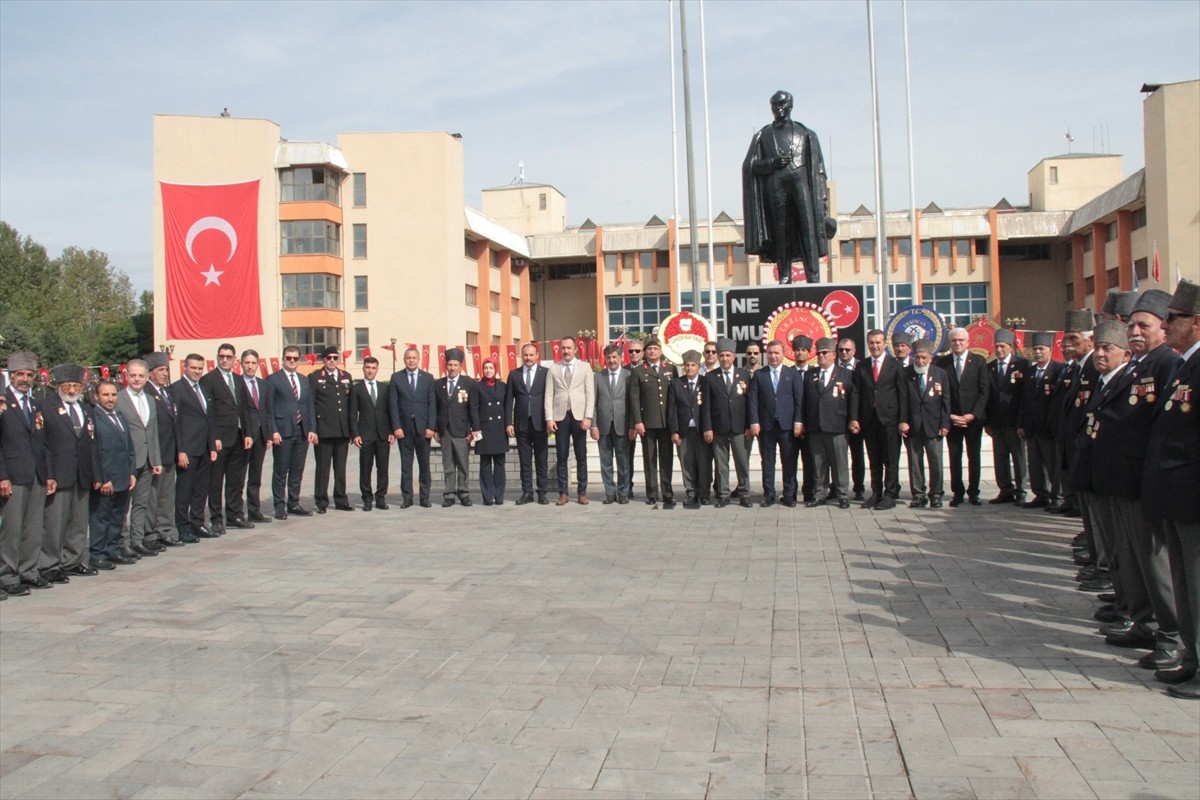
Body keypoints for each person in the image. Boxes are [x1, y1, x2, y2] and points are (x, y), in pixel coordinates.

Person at [1141, 279, 1200, 697]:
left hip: (1193, 496)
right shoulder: (1186, 365)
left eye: (1174, 318)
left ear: (1195, 323)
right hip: (1176, 496)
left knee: (1197, 585)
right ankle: (1191, 658)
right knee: (1184, 584)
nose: (1168, 324)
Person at [742, 90, 833, 284]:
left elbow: (819, 169)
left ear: (790, 106)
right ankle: (784, 276)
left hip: (801, 185)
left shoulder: (806, 133)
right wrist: (771, 163)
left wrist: (823, 197)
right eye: (775, 105)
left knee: (808, 227)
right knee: (780, 232)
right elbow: (750, 165)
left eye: (782, 105)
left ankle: (813, 275)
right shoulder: (763, 135)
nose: (778, 109)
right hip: (776, 187)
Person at [0, 351, 56, 595]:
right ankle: (7, 575)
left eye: (29, 374)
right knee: (11, 529)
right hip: (13, 473)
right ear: (11, 376)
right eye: (20, 374)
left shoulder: (35, 404)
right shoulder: (3, 402)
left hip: (37, 474)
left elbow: (43, 443)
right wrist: (2, 475)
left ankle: (28, 571)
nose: (25, 378)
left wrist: (50, 474)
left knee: (33, 527)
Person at [39, 364, 97, 581]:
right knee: (55, 523)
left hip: (82, 474)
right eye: (67, 386)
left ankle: (73, 560)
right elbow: (42, 444)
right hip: (59, 473)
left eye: (75, 385)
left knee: (79, 522)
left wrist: (96, 474)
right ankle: (50, 564)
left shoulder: (85, 409)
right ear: (59, 386)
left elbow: (92, 444)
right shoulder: (46, 407)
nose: (72, 390)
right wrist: (49, 474)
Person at [937, 327, 991, 506]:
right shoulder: (941, 362)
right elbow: (940, 393)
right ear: (950, 343)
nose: (957, 343)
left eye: (961, 340)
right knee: (954, 457)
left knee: (973, 456)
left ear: (968, 342)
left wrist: (973, 415)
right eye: (954, 341)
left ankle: (974, 492)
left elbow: (984, 391)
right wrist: (949, 415)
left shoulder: (978, 361)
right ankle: (957, 493)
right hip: (952, 418)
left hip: (972, 420)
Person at [855, 329, 907, 511]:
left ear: (884, 343)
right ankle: (876, 493)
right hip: (869, 419)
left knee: (891, 459)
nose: (875, 346)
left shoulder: (895, 365)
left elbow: (903, 394)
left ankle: (890, 494)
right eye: (871, 343)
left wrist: (903, 419)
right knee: (874, 459)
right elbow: (856, 394)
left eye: (878, 342)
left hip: (890, 419)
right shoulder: (862, 366)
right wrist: (855, 418)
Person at [801, 338, 856, 509]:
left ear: (833, 354)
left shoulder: (846, 374)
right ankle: (819, 494)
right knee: (818, 463)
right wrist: (803, 422)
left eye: (825, 353)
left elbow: (852, 400)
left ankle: (842, 494)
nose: (821, 356)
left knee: (839, 463)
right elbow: (805, 401)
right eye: (818, 353)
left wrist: (853, 419)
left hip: (837, 425)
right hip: (815, 425)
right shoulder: (811, 374)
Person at [748, 339, 804, 506]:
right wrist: (754, 422)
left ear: (783, 353)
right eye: (770, 353)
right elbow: (753, 400)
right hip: (766, 425)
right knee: (768, 461)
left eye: (776, 353)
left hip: (787, 425)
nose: (773, 356)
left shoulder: (792, 374)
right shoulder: (759, 375)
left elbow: (798, 400)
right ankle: (769, 494)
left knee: (789, 460)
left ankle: (789, 494)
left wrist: (798, 421)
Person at [88, 379, 137, 570]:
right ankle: (97, 554)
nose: (110, 399)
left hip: (123, 476)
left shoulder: (119, 416)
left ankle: (113, 549)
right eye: (105, 395)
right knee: (101, 518)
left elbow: (128, 447)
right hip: (107, 479)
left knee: (118, 516)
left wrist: (132, 472)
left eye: (113, 394)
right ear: (96, 397)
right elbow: (97, 451)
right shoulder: (94, 418)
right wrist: (103, 478)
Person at [117, 359, 163, 558]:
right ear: (126, 376)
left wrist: (157, 459)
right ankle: (120, 542)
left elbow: (152, 432)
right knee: (122, 504)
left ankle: (137, 540)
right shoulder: (118, 399)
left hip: (147, 460)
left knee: (141, 503)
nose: (136, 379)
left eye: (140, 376)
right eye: (133, 375)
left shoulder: (151, 400)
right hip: (127, 460)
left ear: (146, 377)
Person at [266, 346, 316, 518]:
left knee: (297, 470)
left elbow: (309, 405)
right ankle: (279, 505)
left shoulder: (303, 380)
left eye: (295, 358)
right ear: (283, 359)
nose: (292, 361)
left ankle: (294, 502)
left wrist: (312, 429)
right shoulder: (273, 379)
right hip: (283, 431)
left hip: (301, 431)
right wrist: (273, 430)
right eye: (289, 358)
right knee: (281, 470)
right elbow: (268, 408)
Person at [200, 343, 246, 534]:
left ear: (234, 359)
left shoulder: (239, 379)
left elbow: (244, 409)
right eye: (222, 356)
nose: (225, 359)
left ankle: (234, 514)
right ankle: (216, 518)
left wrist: (249, 433)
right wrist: (214, 437)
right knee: (216, 482)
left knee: (236, 480)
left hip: (238, 436)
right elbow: (208, 413)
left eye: (228, 356)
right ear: (217, 357)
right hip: (220, 439)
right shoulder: (209, 380)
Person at [900, 339, 951, 508]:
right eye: (917, 358)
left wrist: (945, 424)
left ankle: (936, 494)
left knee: (935, 461)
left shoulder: (940, 374)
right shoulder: (906, 373)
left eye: (924, 358)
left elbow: (946, 401)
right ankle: (918, 494)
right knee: (915, 462)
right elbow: (902, 400)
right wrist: (903, 421)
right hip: (913, 426)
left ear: (930, 357)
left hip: (934, 424)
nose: (920, 361)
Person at [171, 354, 217, 540]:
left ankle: (197, 523)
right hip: (188, 449)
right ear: (185, 367)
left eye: (200, 368)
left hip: (204, 448)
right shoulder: (177, 389)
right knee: (184, 490)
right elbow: (176, 423)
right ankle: (183, 528)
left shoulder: (203, 389)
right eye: (193, 368)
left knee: (200, 489)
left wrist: (212, 445)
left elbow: (209, 419)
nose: (197, 371)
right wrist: (180, 450)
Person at [628, 336, 677, 508]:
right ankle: (652, 493)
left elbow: (673, 397)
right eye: (649, 349)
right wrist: (638, 422)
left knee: (666, 459)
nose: (652, 351)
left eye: (655, 348)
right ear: (644, 352)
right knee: (649, 460)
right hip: (647, 423)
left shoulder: (670, 369)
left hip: (665, 423)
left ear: (661, 351)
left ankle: (667, 492)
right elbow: (634, 399)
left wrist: (674, 423)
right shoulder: (638, 371)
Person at [545, 336, 594, 505]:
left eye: (568, 348)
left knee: (581, 456)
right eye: (563, 348)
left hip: (579, 416)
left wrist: (588, 416)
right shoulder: (553, 369)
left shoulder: (585, 367)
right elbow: (549, 394)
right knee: (562, 455)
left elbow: (590, 393)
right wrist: (549, 418)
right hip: (560, 416)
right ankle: (563, 492)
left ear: (575, 350)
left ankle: (582, 492)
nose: (565, 351)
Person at [704, 338, 752, 509]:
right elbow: (707, 405)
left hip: (739, 426)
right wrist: (708, 427)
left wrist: (749, 424)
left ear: (734, 357)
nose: (724, 358)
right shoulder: (710, 377)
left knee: (742, 461)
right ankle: (723, 494)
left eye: (728, 355)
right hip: (719, 427)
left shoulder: (744, 374)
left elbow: (749, 402)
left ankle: (744, 493)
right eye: (721, 355)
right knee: (721, 463)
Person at [1018, 333, 1063, 511]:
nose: (1037, 352)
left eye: (1041, 349)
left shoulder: (1057, 370)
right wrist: (1021, 423)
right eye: (1035, 349)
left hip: (1048, 426)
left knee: (1052, 463)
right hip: (1031, 426)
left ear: (1050, 350)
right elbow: (1024, 400)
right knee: (1034, 463)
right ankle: (1040, 494)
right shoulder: (1030, 372)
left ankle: (1056, 496)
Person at [986, 329, 1029, 505]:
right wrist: (987, 421)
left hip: (1014, 421)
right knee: (1000, 457)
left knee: (1018, 457)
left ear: (1010, 347)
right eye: (996, 346)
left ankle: (1021, 491)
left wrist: (1022, 421)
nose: (999, 349)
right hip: (997, 421)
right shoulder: (990, 367)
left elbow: (1025, 395)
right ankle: (1005, 489)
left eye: (1002, 346)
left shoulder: (1022, 365)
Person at [389, 347, 436, 508]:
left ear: (418, 359)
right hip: (405, 429)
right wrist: (396, 427)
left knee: (424, 465)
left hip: (423, 429)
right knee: (406, 465)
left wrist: (431, 426)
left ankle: (424, 497)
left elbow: (432, 404)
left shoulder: (428, 378)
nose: (411, 360)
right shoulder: (396, 378)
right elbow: (393, 405)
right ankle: (407, 498)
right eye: (408, 357)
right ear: (404, 359)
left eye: (414, 358)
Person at [144, 353, 183, 546]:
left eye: (166, 369)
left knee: (167, 496)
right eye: (160, 370)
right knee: (153, 497)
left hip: (169, 451)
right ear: (150, 373)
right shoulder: (147, 393)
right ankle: (149, 533)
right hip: (155, 453)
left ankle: (165, 529)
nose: (164, 373)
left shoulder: (166, 392)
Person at [310, 347, 353, 513]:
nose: (332, 361)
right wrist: (313, 430)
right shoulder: (315, 378)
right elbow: (311, 406)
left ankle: (341, 499)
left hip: (342, 430)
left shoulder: (346, 377)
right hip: (324, 431)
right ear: (323, 359)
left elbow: (349, 405)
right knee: (323, 468)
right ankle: (321, 501)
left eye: (335, 357)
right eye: (329, 358)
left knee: (340, 468)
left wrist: (351, 430)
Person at [505, 343, 549, 505]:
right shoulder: (514, 374)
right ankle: (527, 492)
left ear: (537, 355)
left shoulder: (545, 373)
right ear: (521, 356)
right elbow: (509, 400)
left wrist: (549, 419)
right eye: (525, 355)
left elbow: (549, 396)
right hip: (521, 423)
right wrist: (509, 422)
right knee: (524, 460)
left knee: (541, 459)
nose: (528, 358)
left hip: (540, 422)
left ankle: (542, 492)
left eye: (531, 355)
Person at [350, 356, 393, 511]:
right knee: (365, 468)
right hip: (365, 434)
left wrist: (391, 431)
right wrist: (355, 434)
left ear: (377, 369)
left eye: (373, 368)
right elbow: (353, 413)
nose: (370, 371)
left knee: (383, 468)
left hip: (382, 434)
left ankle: (381, 498)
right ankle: (367, 499)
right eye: (368, 367)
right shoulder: (357, 389)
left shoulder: (384, 388)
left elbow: (389, 411)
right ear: (363, 368)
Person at [435, 348, 477, 507]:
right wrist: (435, 428)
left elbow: (472, 408)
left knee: (463, 464)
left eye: (455, 365)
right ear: (446, 366)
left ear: (461, 366)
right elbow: (435, 407)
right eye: (450, 365)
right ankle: (449, 494)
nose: (452, 368)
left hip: (462, 430)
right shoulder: (439, 384)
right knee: (448, 464)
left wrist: (472, 429)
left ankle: (464, 493)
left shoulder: (468, 383)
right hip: (445, 430)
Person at [669, 350, 710, 509]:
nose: (690, 368)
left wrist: (708, 428)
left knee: (703, 462)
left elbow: (708, 408)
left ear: (698, 366)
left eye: (693, 365)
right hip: (684, 431)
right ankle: (691, 492)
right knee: (687, 462)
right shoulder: (677, 383)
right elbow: (672, 409)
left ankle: (704, 493)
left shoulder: (705, 382)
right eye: (687, 365)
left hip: (701, 431)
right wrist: (674, 431)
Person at [236, 350, 273, 523]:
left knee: (255, 475)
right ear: (241, 364)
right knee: (239, 475)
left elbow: (266, 410)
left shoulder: (263, 384)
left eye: (253, 363)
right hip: (244, 435)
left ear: (258, 364)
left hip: (261, 435)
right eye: (247, 363)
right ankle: (236, 511)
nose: (250, 366)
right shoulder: (237, 384)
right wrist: (245, 433)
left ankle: (254, 510)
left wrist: (269, 434)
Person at [592, 344, 631, 504]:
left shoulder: (629, 376)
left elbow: (632, 403)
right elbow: (593, 403)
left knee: (623, 462)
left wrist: (632, 425)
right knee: (605, 461)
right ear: (605, 359)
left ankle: (623, 492)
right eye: (608, 357)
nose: (612, 360)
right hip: (604, 426)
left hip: (622, 424)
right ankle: (609, 492)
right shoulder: (598, 377)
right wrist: (594, 425)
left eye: (614, 357)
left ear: (620, 358)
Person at [471, 358, 509, 505]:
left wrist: (508, 425)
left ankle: (499, 496)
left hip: (499, 429)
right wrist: (475, 428)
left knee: (500, 463)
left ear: (496, 369)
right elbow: (473, 409)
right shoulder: (477, 386)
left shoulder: (502, 386)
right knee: (485, 463)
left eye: (491, 368)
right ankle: (487, 496)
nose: (488, 370)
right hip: (484, 428)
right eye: (486, 368)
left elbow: (506, 407)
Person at [837, 338, 866, 500]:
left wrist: (856, 417)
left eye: (847, 349)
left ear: (854, 351)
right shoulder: (832, 367)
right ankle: (836, 487)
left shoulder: (861, 367)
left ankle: (859, 487)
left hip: (857, 419)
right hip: (837, 419)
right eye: (841, 350)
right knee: (836, 456)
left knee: (857, 455)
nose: (844, 352)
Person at [789, 335, 816, 502]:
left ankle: (809, 492)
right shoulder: (788, 373)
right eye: (797, 350)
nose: (800, 353)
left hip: (810, 425)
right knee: (790, 461)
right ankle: (790, 492)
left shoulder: (814, 373)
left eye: (803, 350)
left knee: (810, 461)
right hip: (791, 425)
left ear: (809, 352)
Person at [623, 340, 644, 501]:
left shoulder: (649, 369)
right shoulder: (623, 372)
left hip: (648, 419)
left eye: (637, 351)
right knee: (627, 455)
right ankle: (626, 487)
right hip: (628, 420)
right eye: (631, 351)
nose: (634, 354)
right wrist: (632, 424)